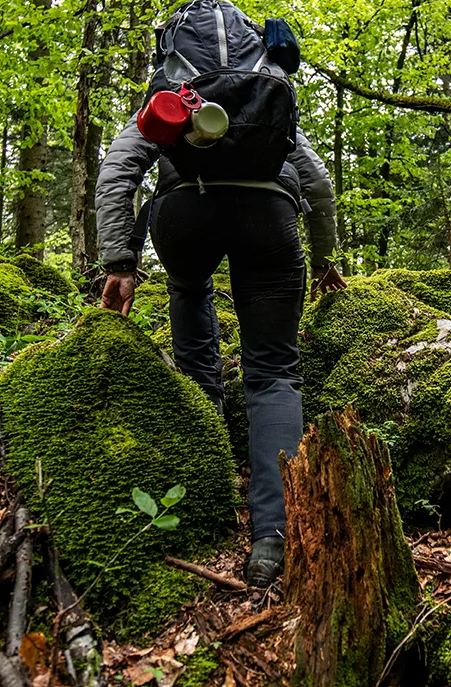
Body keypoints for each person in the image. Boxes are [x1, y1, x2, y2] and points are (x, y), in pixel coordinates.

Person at [94, 114, 346, 586]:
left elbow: (117, 171)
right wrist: (325, 257)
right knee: (273, 370)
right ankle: (272, 537)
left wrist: (120, 261)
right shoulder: (266, 79)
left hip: (184, 213)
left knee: (189, 293)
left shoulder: (172, 81)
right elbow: (315, 178)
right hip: (270, 212)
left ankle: (206, 483)